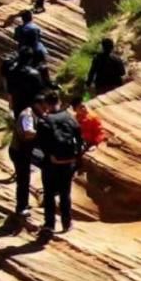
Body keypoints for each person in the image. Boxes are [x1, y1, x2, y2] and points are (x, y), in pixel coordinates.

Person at [34, 90, 84, 235]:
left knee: (49, 194)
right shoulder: (70, 118)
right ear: (59, 102)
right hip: (68, 162)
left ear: (46, 104)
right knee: (65, 193)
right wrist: (77, 157)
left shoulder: (44, 121)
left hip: (51, 163)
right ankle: (66, 223)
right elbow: (79, 139)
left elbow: (42, 144)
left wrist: (50, 155)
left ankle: (49, 224)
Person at [7, 99, 39, 219]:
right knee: (23, 180)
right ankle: (21, 208)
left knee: (24, 179)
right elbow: (28, 133)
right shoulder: (27, 116)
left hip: (21, 151)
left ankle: (23, 204)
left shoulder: (31, 114)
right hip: (19, 151)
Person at [3, 46, 48, 117]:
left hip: (17, 105)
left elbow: (9, 91)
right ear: (30, 59)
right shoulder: (34, 74)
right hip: (31, 106)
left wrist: (11, 105)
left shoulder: (11, 71)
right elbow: (40, 91)